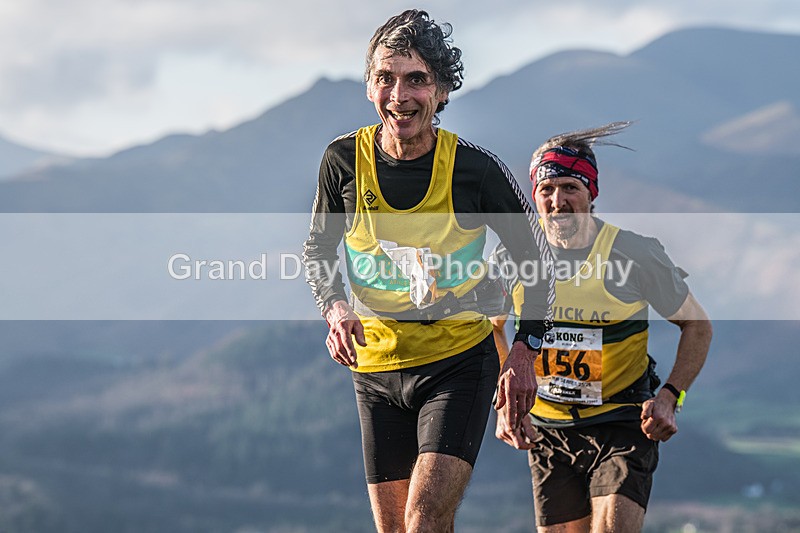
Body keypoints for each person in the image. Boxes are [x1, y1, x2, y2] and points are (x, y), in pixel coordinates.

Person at [302, 9, 554, 532]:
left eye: (417, 80)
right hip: (375, 370)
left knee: (424, 521)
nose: (400, 96)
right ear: (369, 86)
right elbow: (318, 249)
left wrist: (525, 352)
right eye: (385, 79)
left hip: (457, 363)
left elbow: (536, 261)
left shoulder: (474, 170)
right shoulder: (342, 161)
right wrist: (336, 307)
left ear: (441, 91)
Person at [491, 123, 713, 532]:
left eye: (570, 188)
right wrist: (508, 400)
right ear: (534, 198)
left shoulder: (633, 253)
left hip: (622, 422)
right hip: (548, 430)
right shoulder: (513, 258)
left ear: (592, 193)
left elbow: (697, 326)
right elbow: (492, 328)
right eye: (546, 190)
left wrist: (669, 396)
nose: (557, 201)